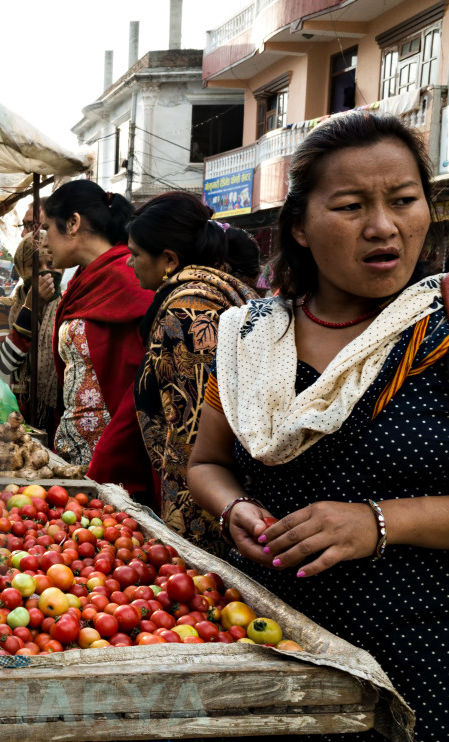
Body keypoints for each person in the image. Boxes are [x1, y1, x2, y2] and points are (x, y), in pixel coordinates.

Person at [188, 113, 449, 740]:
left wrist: (379, 522)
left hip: (419, 654)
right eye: (352, 206)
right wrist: (233, 510)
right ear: (300, 227)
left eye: (404, 201)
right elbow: (205, 464)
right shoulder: (252, 339)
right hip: (272, 645)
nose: (384, 226)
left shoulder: (440, 331)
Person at [127, 191, 259, 553]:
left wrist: (188, 527)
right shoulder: (219, 290)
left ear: (168, 259)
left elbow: (194, 428)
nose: (129, 264)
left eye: (136, 254)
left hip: (207, 509)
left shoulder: (188, 311)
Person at [45, 181, 156, 502]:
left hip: (114, 459)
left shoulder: (128, 276)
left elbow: (139, 383)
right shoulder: (84, 278)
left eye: (47, 228)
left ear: (73, 223)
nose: (43, 241)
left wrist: (108, 456)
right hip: (77, 455)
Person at [0, 231, 61, 435]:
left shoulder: (68, 307)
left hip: (57, 413)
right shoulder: (4, 307)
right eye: (35, 266)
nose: (45, 273)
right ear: (21, 269)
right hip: (17, 411)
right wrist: (30, 309)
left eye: (51, 264)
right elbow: (5, 361)